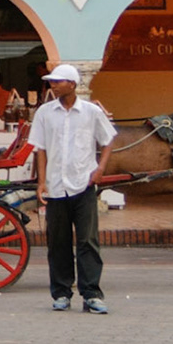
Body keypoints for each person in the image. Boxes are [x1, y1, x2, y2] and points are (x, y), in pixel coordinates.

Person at [29, 63, 116, 315]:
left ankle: (91, 294)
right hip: (56, 186)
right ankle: (61, 293)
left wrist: (100, 168)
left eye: (58, 81)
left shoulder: (91, 112)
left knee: (88, 241)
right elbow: (40, 149)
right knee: (58, 242)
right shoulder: (45, 113)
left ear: (72, 84)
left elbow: (108, 139)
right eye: (52, 81)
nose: (53, 85)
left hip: (83, 184)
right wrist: (42, 182)